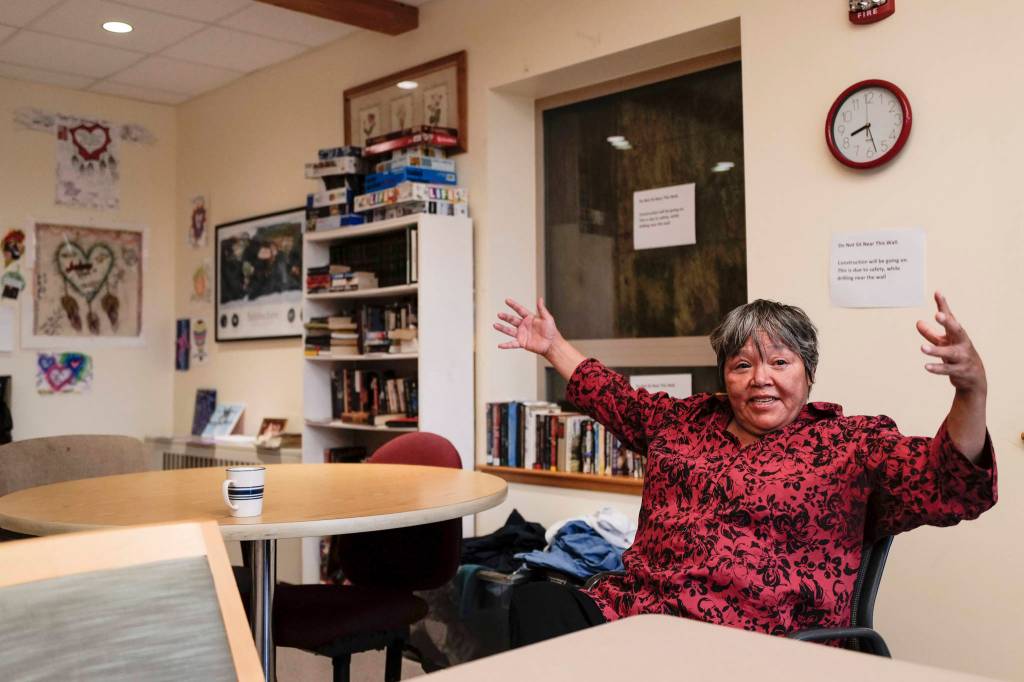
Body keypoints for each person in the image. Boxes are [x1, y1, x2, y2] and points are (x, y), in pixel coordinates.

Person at [493, 293, 996, 647]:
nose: (761, 380)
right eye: (741, 366)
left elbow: (949, 481)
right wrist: (552, 345)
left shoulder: (853, 444)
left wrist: (970, 389)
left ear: (808, 372)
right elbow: (614, 397)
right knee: (536, 603)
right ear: (724, 376)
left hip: (757, 641)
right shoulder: (684, 421)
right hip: (639, 618)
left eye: (780, 362)